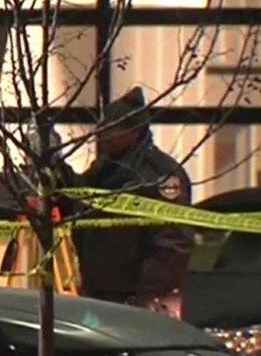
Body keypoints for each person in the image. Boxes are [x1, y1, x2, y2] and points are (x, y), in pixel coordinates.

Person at [60, 87, 193, 313]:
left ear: (133, 132)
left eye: (111, 129)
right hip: (98, 293)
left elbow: (172, 242)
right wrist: (59, 172)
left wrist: (146, 295)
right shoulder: (103, 171)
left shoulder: (159, 175)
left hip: (138, 299)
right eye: (101, 129)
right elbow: (79, 205)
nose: (102, 135)